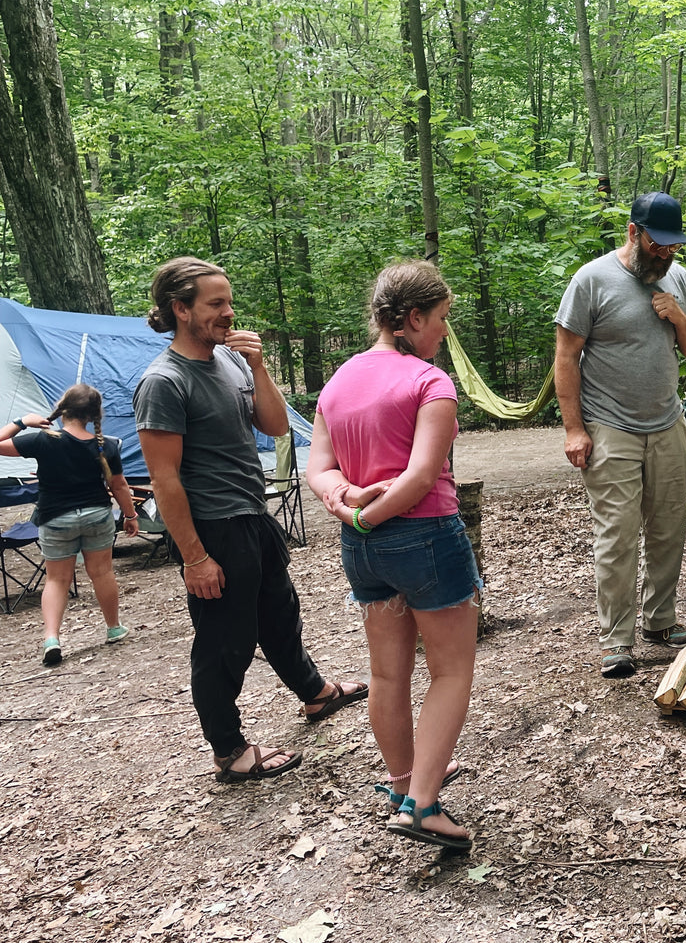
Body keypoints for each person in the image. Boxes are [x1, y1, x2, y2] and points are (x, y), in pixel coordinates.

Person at [133, 257, 368, 784]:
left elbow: (276, 425)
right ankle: (230, 751)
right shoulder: (164, 381)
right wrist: (194, 556)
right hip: (214, 527)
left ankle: (316, 694)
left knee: (280, 615)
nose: (228, 312)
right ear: (180, 309)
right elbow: (165, 480)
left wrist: (259, 367)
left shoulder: (234, 361)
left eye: (228, 301)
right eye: (215, 304)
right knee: (225, 643)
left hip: (252, 516)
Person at [306, 260, 480, 852]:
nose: (442, 333)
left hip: (363, 551)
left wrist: (346, 504)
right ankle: (423, 806)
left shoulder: (339, 380)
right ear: (411, 319)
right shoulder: (430, 383)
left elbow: (318, 469)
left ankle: (403, 782)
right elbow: (423, 473)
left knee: (387, 672)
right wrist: (366, 510)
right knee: (451, 671)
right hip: (426, 538)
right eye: (440, 320)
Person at [554, 192, 686, 678]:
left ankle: (660, 622)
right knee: (618, 537)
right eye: (658, 244)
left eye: (673, 246)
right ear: (633, 232)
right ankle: (616, 640)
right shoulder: (592, 280)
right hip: (609, 426)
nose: (666, 254)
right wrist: (574, 429)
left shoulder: (678, 280)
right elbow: (565, 357)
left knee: (669, 529)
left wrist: (679, 315)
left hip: (667, 424)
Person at [0, 384, 140, 665]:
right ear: (93, 414)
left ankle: (52, 638)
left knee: (57, 579)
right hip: (97, 515)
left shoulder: (42, 440)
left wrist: (21, 422)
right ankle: (113, 627)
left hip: (56, 517)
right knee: (101, 573)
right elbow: (119, 485)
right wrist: (130, 515)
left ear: (62, 409)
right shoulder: (106, 445)